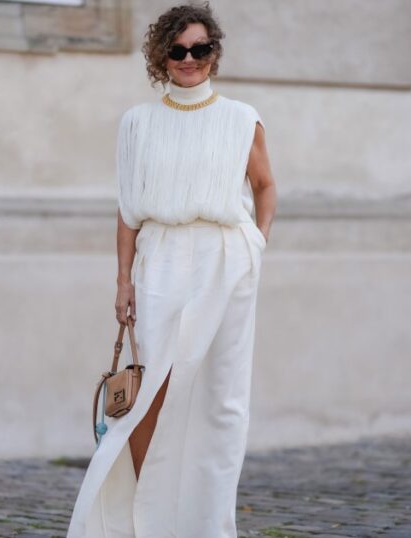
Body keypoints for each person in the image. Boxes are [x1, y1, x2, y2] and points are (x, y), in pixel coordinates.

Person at [67, 2, 276, 536]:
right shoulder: (137, 122)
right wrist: (123, 280)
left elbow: (265, 186)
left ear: (214, 53)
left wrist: (255, 245)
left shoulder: (241, 118)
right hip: (159, 258)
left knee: (219, 400)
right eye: (178, 50)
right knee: (148, 393)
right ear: (162, 56)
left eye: (200, 48)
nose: (189, 59)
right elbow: (127, 210)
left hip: (225, 260)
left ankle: (206, 525)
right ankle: (144, 520)